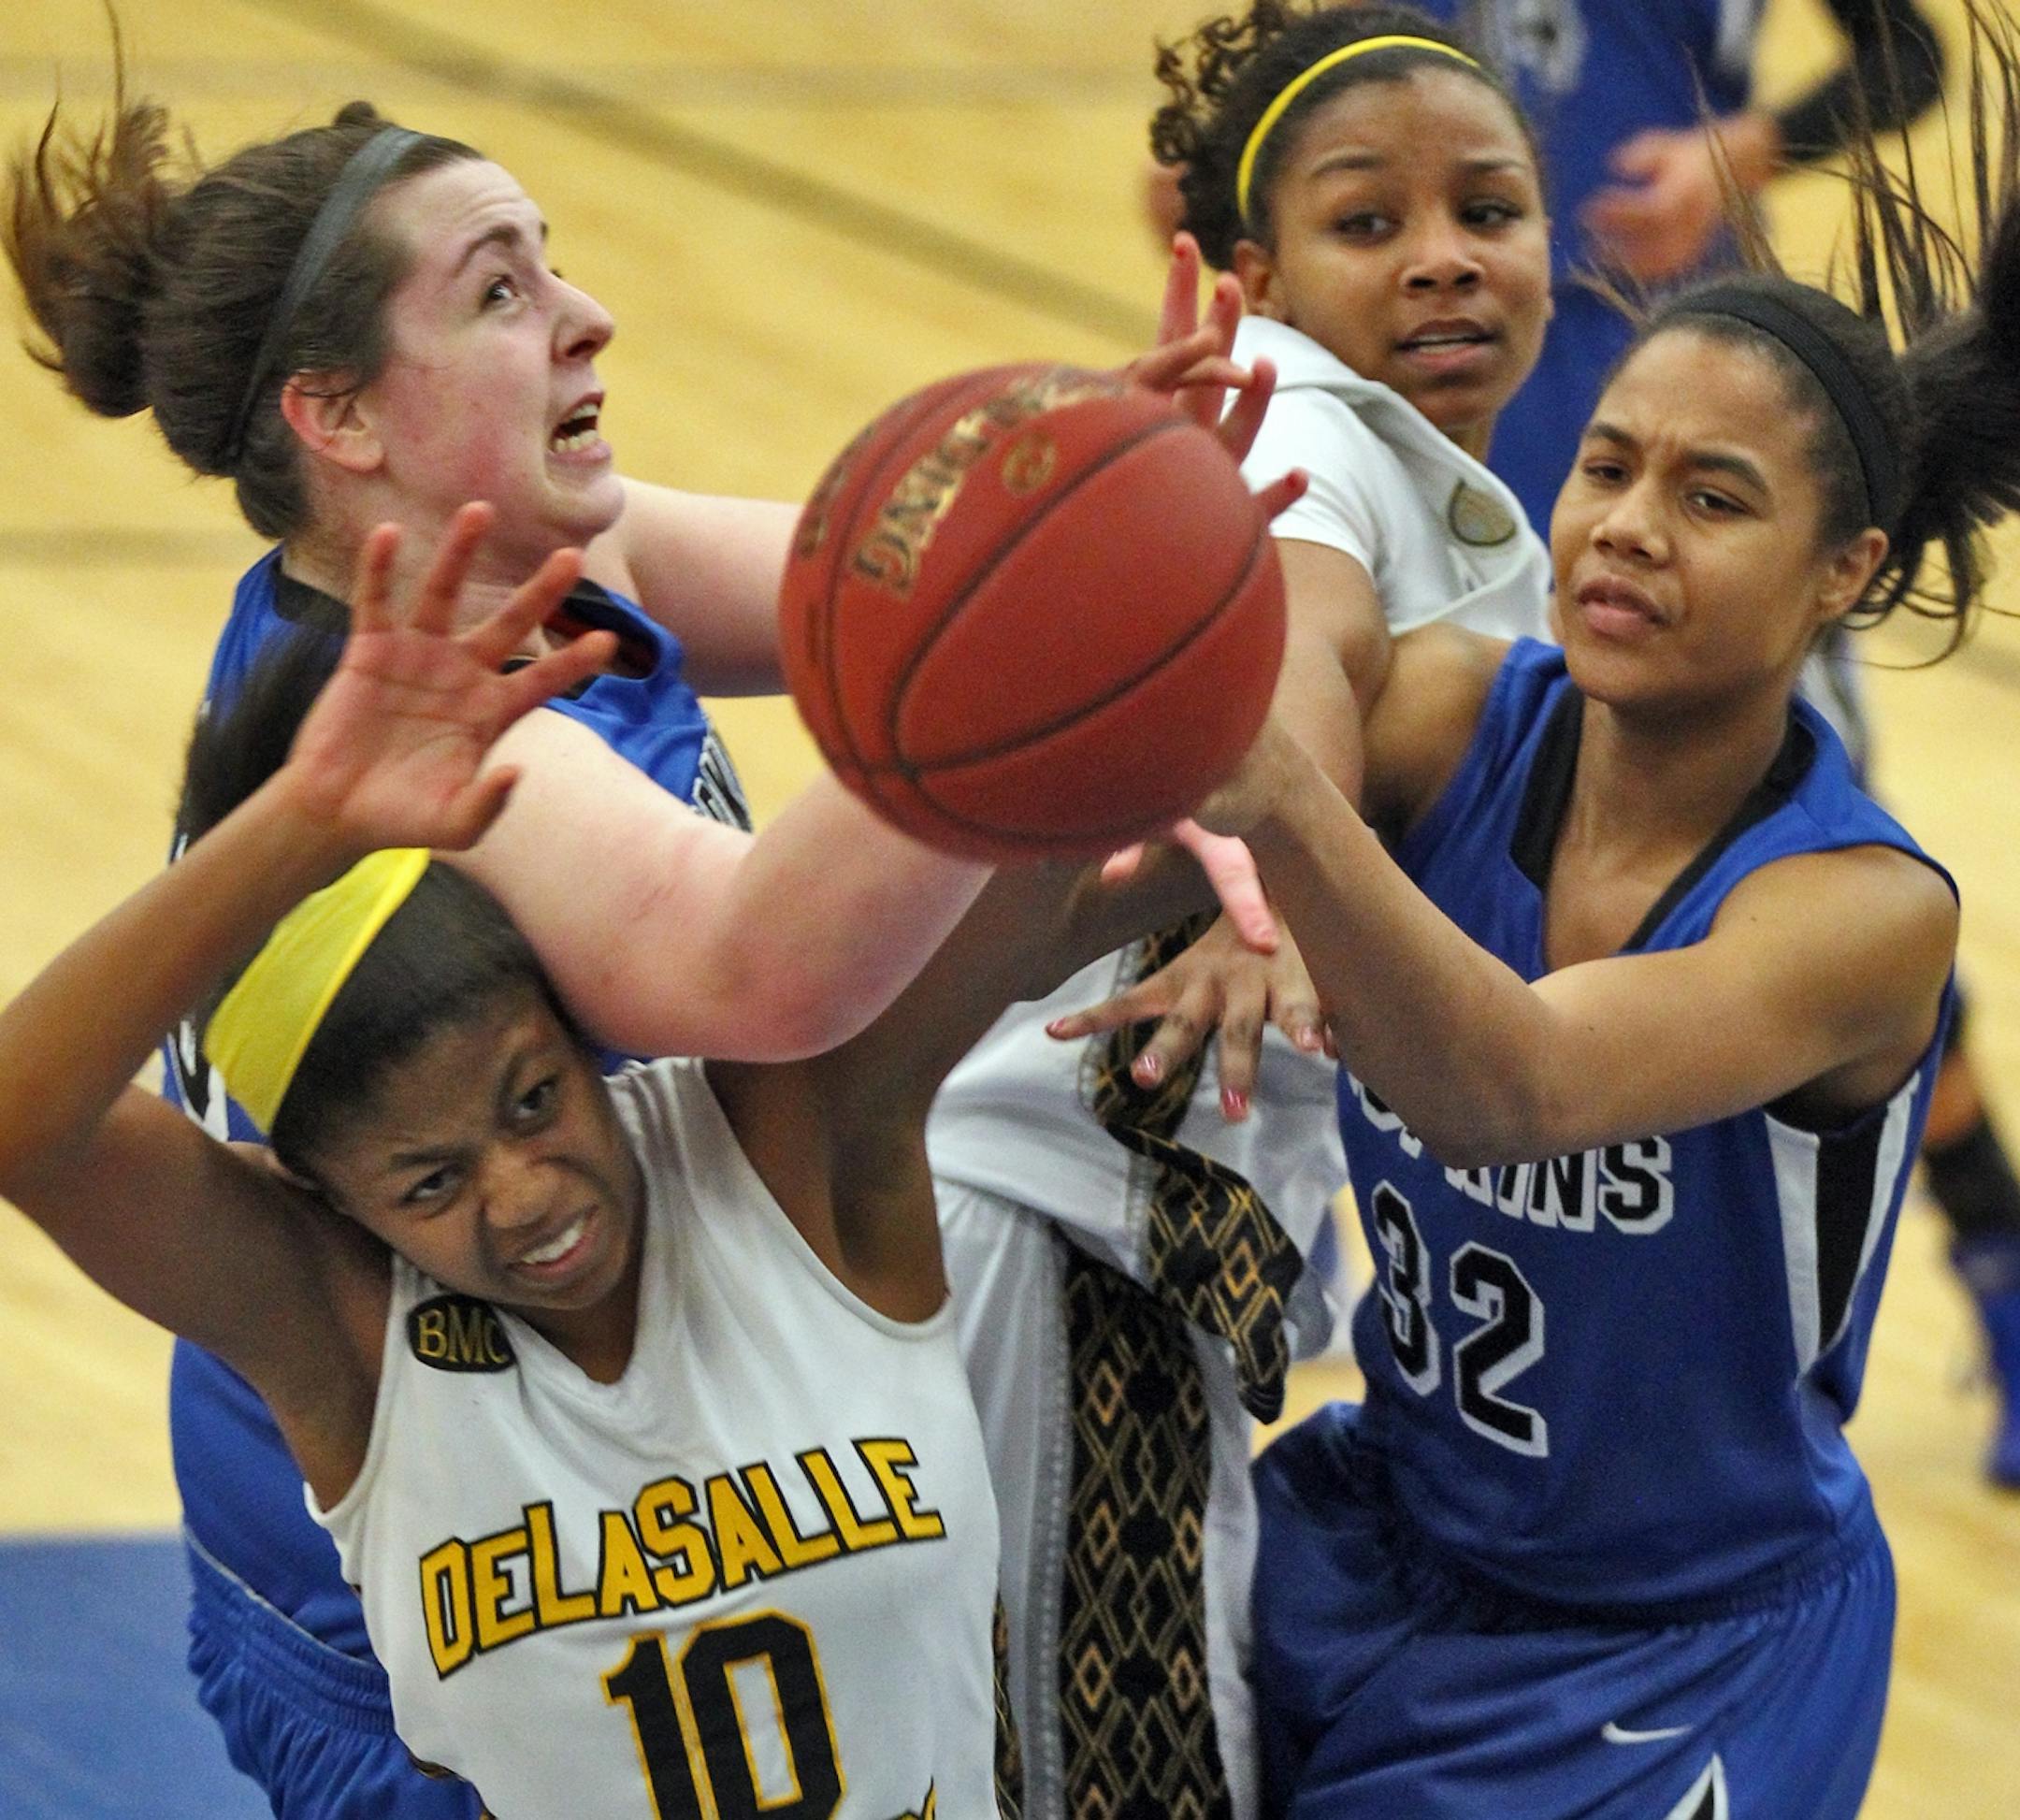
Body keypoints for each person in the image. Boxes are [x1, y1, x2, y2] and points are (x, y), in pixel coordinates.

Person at [5, 81, 1273, 1817]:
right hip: (428, 1493)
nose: (587, 314)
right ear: (343, 417)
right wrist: (1041, 613)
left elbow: (873, 614)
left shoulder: (546, 556)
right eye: (499, 292)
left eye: (556, 262)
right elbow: (775, 971)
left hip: (645, 1382)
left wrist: (1068, 510)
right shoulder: (435, 757)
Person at [1057, 8, 2020, 1805]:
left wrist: (1274, 818)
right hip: (1380, 1536)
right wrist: (1227, 740)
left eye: (1712, 498)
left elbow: (1518, 1085)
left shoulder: (1854, 910)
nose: (1627, 528)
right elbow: (1327, 643)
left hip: (1673, 1644)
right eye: (1608, 466)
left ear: (1846, 573)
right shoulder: (1468, 711)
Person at [923, 11, 1553, 1813]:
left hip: (1078, 1235)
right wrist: (1269, 876)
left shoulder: (1406, 472)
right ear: (1259, 279)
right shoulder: (1310, 431)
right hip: (1072, 1242)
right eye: (1373, 223)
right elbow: (1297, 643)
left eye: (1488, 209)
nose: (1442, 254)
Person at [1408, 0, 2020, 1491]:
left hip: (1705, 436)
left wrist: (1734, 150)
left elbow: (1912, 59)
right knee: (1514, 909)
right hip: (1500, 451)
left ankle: (2003, 1279)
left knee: (1839, 935)